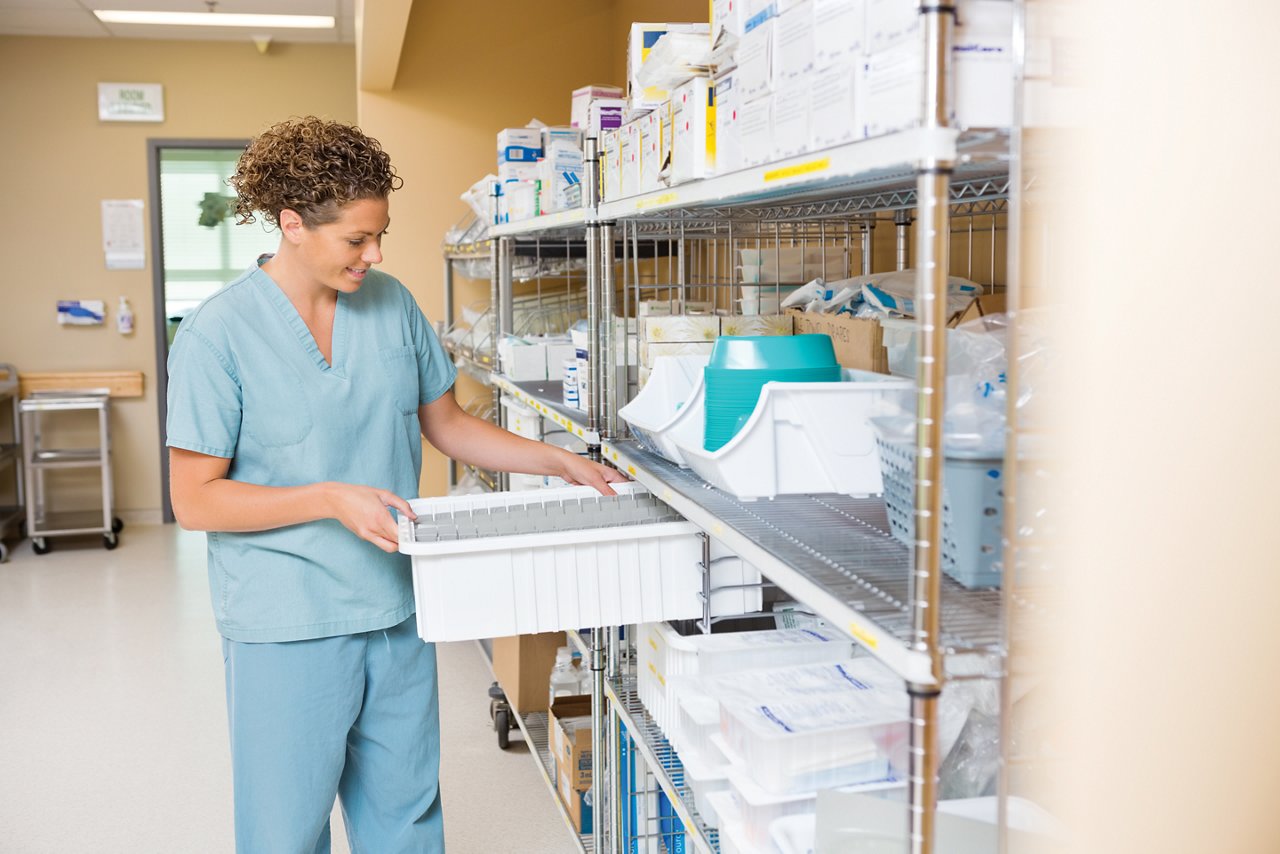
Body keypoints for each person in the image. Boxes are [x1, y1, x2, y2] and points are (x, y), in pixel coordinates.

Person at [165, 116, 626, 853]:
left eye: (380, 235)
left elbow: (448, 425)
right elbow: (195, 500)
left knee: (405, 820)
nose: (374, 254)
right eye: (357, 239)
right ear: (292, 224)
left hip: (394, 604)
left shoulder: (392, 303)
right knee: (285, 831)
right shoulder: (217, 334)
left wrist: (559, 461)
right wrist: (327, 497)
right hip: (287, 621)